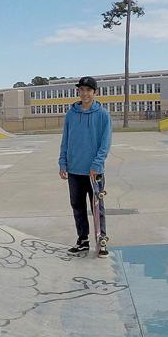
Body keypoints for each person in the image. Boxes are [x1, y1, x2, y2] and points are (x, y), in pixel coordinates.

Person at [58, 76, 112, 258]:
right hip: (74, 169)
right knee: (77, 205)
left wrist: (97, 163)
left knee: (97, 207)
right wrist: (62, 162)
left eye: (89, 90)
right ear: (78, 92)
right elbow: (66, 139)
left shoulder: (103, 115)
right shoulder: (71, 114)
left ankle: (101, 240)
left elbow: (105, 143)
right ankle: (82, 240)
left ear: (95, 92)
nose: (85, 93)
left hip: (94, 171)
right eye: (82, 90)